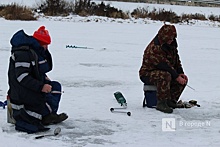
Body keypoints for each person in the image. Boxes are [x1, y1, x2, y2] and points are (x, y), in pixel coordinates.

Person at [7, 26, 68, 133]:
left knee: (55, 87)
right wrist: (41, 87)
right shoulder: (23, 54)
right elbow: (22, 77)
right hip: (22, 94)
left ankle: (47, 115)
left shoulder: (33, 52)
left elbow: (37, 69)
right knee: (45, 94)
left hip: (29, 90)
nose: (46, 48)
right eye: (45, 45)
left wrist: (43, 78)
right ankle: (43, 116)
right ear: (39, 43)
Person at [139, 24, 188, 113]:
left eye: (172, 38)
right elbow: (164, 65)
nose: (171, 40)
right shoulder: (154, 48)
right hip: (147, 73)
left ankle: (171, 101)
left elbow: (176, 60)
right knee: (165, 75)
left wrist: (180, 73)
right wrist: (176, 76)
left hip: (166, 71)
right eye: (169, 39)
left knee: (182, 78)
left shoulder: (171, 45)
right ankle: (161, 103)